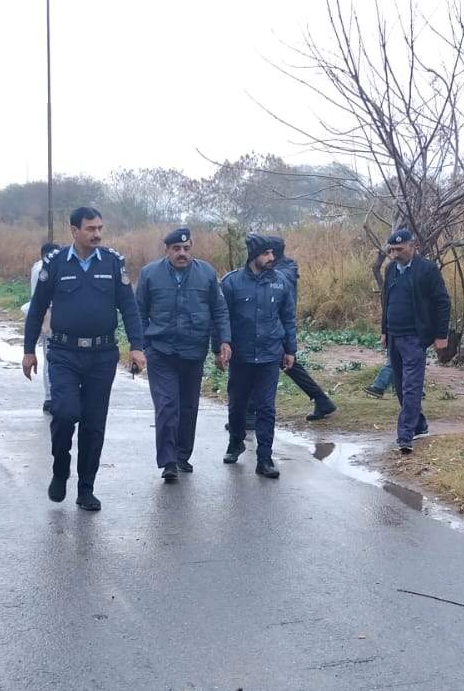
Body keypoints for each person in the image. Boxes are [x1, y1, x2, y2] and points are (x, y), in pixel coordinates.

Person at [22, 207, 146, 512]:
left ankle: (86, 488)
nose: (97, 234)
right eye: (90, 229)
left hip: (102, 355)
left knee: (93, 424)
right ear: (75, 231)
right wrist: (28, 351)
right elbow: (37, 308)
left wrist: (137, 346)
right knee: (64, 414)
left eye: (100, 228)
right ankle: (60, 468)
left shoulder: (113, 262)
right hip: (64, 353)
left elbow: (128, 307)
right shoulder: (55, 263)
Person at [136, 227, 231, 482]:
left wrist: (222, 343)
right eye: (176, 249)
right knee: (167, 405)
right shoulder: (150, 274)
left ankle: (182, 455)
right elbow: (138, 312)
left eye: (186, 249)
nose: (182, 253)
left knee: (188, 406)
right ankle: (168, 461)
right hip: (161, 350)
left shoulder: (206, 273)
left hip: (193, 349)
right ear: (167, 250)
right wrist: (140, 346)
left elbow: (219, 310)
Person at [217, 234, 296, 478]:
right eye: (265, 253)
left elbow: (288, 317)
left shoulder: (281, 282)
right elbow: (221, 317)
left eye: (273, 253)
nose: (271, 258)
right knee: (237, 405)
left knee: (266, 407)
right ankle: (236, 442)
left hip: (269, 355)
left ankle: (265, 458)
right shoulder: (231, 283)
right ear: (253, 255)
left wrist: (290, 349)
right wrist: (221, 346)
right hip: (241, 356)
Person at [379, 228, 451, 454]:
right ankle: (419, 425)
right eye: (392, 250)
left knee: (412, 386)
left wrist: (441, 335)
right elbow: (386, 300)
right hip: (394, 336)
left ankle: (405, 435)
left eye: (399, 249)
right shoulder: (391, 269)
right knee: (401, 387)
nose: (395, 254)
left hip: (414, 337)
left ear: (412, 246)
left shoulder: (427, 269)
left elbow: (442, 302)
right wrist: (384, 330)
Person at [266, 236, 338, 421]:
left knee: (269, 364)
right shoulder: (285, 268)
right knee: (285, 364)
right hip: (277, 324)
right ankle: (322, 400)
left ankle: (249, 413)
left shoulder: (282, 272)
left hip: (278, 325)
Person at [23, 242, 60, 413]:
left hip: (42, 315)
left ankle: (50, 397)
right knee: (50, 356)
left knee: (48, 356)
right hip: (48, 315)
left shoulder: (37, 267)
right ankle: (50, 397)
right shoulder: (44, 269)